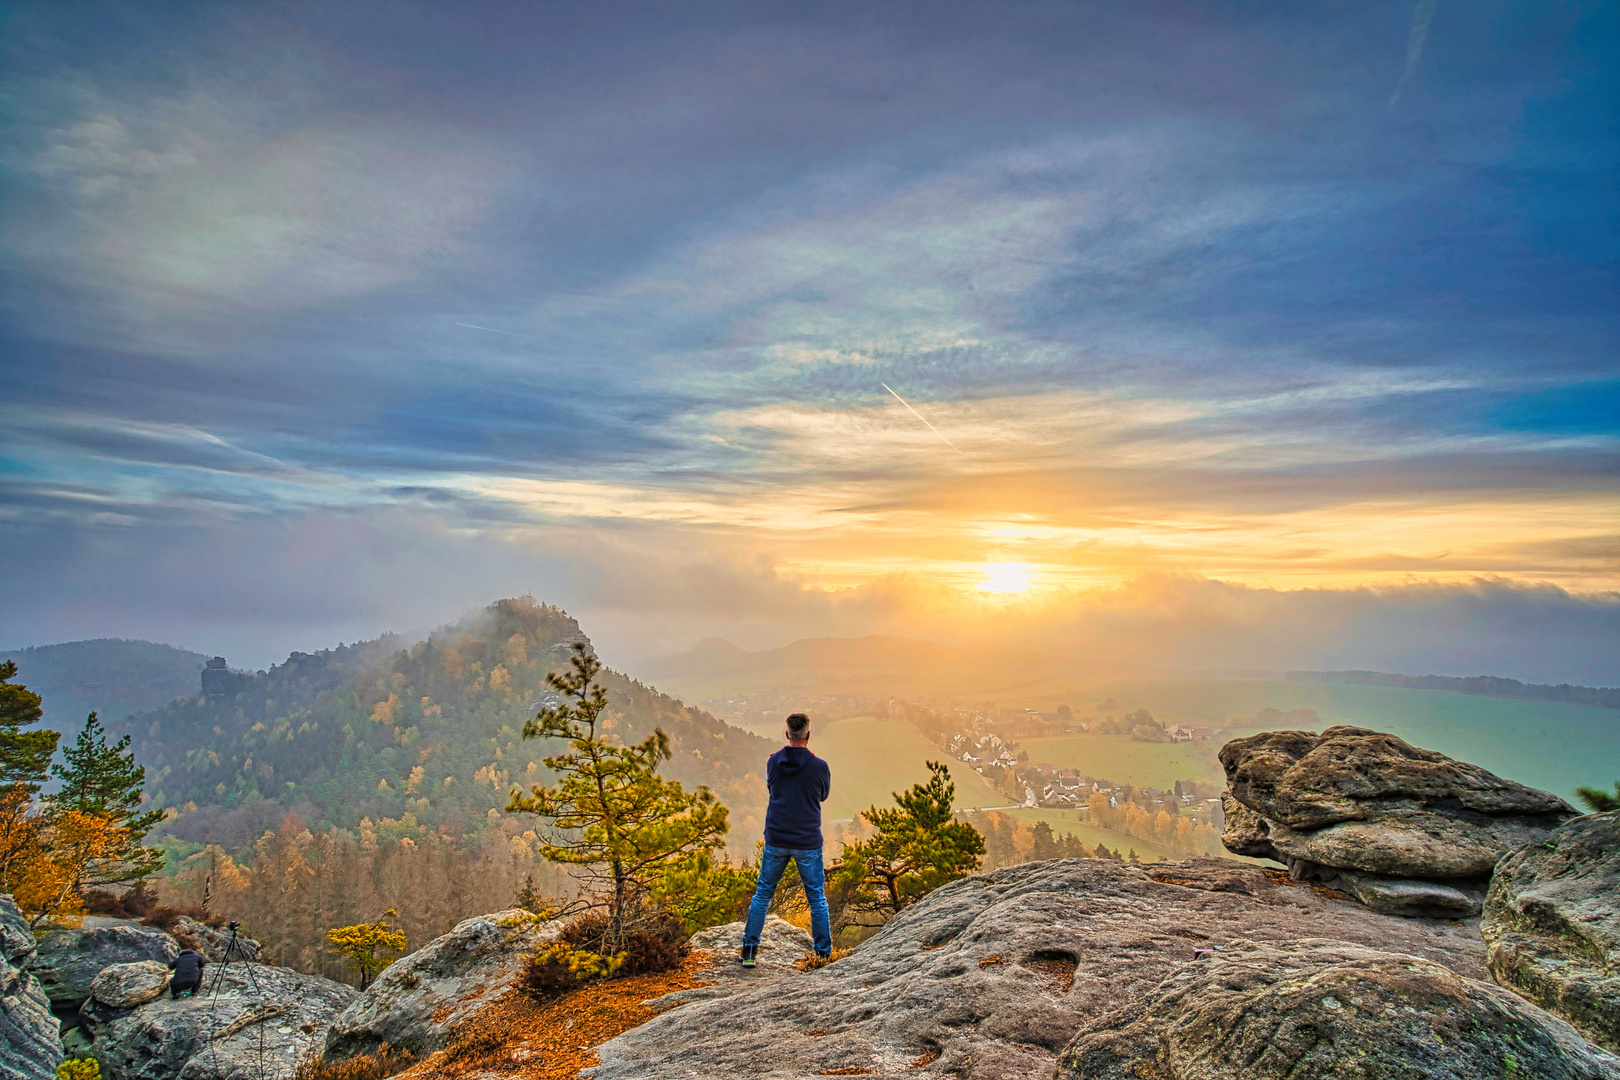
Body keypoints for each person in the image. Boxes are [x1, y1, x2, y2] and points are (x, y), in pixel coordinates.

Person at [740, 712, 832, 967]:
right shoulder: (820, 766)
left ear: (787, 734)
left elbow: (773, 788)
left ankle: (749, 950)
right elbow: (823, 795)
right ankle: (823, 954)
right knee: (816, 898)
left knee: (763, 893)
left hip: (777, 837)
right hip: (808, 841)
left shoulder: (773, 762)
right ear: (808, 735)